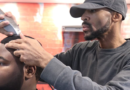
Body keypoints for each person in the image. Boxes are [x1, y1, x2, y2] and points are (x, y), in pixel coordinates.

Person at [1, 0, 130, 90]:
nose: (83, 17)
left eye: (92, 11)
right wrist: (16, 33)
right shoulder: (81, 50)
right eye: (83, 13)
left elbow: (46, 63)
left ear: (116, 17)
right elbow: (36, 70)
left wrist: (46, 61)